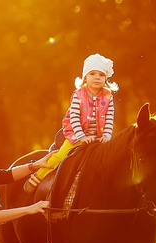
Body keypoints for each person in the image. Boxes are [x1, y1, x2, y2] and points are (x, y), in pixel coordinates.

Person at [24, 53, 119, 193]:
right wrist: (82, 137)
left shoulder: (107, 95)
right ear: (85, 77)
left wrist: (107, 135)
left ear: (106, 79)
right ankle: (38, 176)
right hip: (77, 134)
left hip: (98, 136)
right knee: (60, 155)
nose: (97, 77)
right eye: (92, 73)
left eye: (101, 74)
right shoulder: (78, 94)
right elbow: (74, 117)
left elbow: (110, 116)